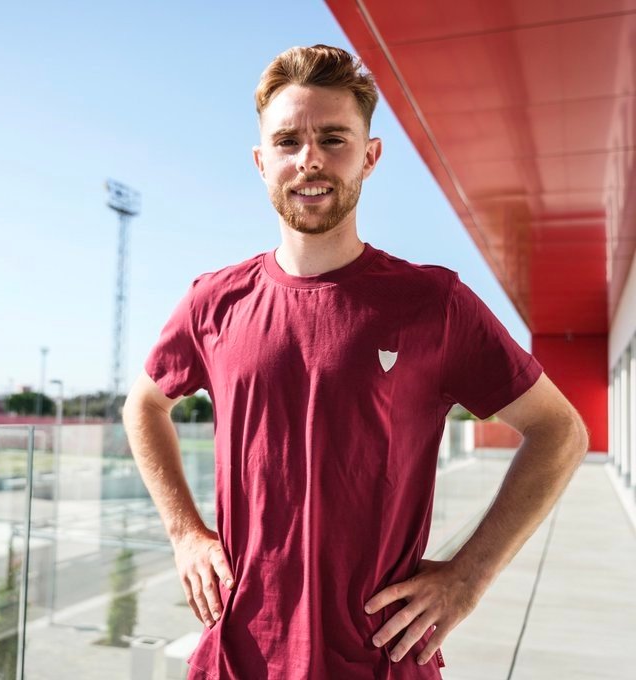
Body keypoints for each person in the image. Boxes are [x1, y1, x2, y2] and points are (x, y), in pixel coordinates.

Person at [123, 44, 588, 680]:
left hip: (381, 660)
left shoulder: (434, 302)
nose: (309, 159)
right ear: (262, 163)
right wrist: (185, 532)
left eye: (333, 138)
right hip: (238, 658)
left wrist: (469, 577)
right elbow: (145, 405)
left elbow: (559, 430)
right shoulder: (214, 301)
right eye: (287, 141)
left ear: (370, 157)